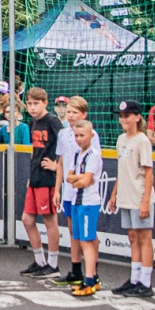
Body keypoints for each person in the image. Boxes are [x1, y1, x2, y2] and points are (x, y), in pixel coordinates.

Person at [103, 99, 155, 296]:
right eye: (121, 116)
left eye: (127, 116)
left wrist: (145, 201)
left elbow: (149, 173)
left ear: (137, 117)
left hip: (139, 195)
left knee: (144, 238)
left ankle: (146, 281)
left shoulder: (142, 141)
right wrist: (114, 194)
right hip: (125, 195)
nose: (123, 120)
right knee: (132, 237)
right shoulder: (121, 139)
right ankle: (134, 278)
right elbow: (121, 169)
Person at [58, 107, 104, 295]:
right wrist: (78, 178)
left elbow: (86, 181)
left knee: (87, 241)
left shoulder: (94, 155)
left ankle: (90, 279)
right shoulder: (78, 155)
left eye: (82, 135)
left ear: (91, 135)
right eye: (76, 136)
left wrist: (78, 179)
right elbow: (69, 177)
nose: (78, 139)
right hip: (76, 201)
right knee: (78, 238)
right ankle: (89, 278)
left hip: (88, 203)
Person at [20, 86, 64, 278]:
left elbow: (66, 145)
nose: (32, 107)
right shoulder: (33, 122)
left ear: (45, 103)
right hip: (36, 175)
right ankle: (40, 261)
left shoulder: (52, 121)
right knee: (27, 219)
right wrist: (31, 174)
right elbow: (35, 150)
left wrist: (57, 166)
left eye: (36, 103)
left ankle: (53, 264)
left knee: (49, 220)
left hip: (48, 178)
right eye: (29, 103)